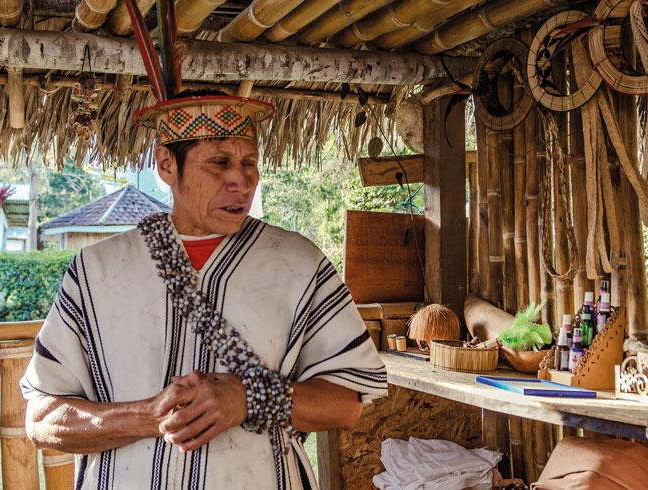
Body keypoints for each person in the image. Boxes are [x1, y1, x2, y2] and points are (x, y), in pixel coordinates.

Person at [20, 92, 388, 489]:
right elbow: (42, 418)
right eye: (219, 163)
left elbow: (346, 404)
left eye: (249, 163)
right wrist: (149, 416)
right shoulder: (95, 272)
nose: (242, 180)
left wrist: (249, 398)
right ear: (166, 165)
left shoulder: (299, 264)